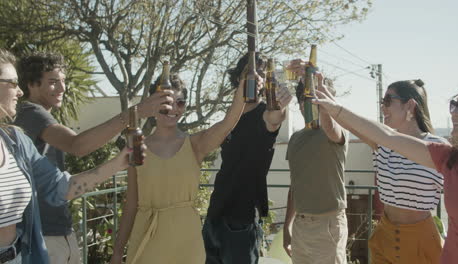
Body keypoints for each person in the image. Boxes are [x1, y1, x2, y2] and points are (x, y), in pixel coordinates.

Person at [13, 51, 160, 264]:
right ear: (31, 84)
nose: (62, 88)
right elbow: (78, 146)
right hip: (44, 235)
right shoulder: (30, 113)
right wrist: (135, 112)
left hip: (59, 230)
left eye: (63, 81)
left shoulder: (38, 115)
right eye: (53, 82)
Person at [111, 65, 260, 264]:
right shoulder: (136, 147)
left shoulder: (195, 145)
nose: (173, 109)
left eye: (180, 103)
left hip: (186, 242)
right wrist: (117, 252)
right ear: (153, 103)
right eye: (167, 103)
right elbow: (130, 205)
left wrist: (242, 89)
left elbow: (227, 123)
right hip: (146, 238)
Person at [313, 81, 458, 264]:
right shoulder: (388, 146)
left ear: (410, 105)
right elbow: (369, 130)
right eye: (454, 105)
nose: (382, 106)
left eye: (388, 101)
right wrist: (328, 102)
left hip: (420, 240)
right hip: (385, 235)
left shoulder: (441, 150)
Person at [202, 53, 292, 264]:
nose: (256, 77)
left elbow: (275, 117)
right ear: (239, 78)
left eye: (261, 73)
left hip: (242, 222)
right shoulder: (231, 117)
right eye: (250, 72)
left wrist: (281, 106)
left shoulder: (265, 113)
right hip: (215, 214)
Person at [282, 66, 348, 264]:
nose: (308, 103)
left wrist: (318, 86)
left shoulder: (335, 131)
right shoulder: (295, 139)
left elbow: (330, 127)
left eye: (314, 98)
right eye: (305, 98)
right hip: (301, 227)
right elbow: (295, 185)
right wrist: (287, 227)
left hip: (328, 226)